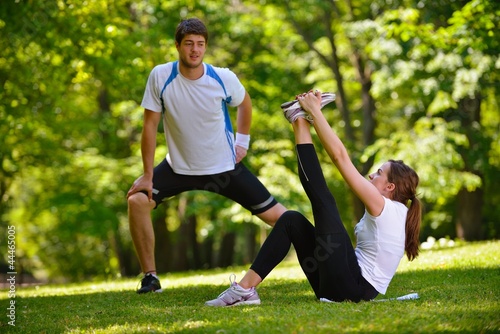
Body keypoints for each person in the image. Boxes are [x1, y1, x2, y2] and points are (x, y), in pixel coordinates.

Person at [205, 90, 421, 306]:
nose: (372, 175)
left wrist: (316, 112)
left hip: (353, 289)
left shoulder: (388, 208)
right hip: (338, 285)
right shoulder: (392, 211)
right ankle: (297, 119)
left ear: (390, 187)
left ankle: (303, 115)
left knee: (324, 201)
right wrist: (306, 116)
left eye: (379, 173)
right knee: (291, 220)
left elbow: (340, 158)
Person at [127, 18, 287, 294]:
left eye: (200, 44)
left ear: (206, 47)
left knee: (283, 219)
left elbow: (244, 103)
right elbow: (150, 126)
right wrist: (148, 174)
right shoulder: (161, 76)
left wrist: (243, 143)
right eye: (188, 43)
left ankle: (325, 260)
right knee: (137, 201)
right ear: (177, 45)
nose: (194, 50)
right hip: (178, 168)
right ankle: (150, 278)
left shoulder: (222, 78)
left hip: (224, 167)